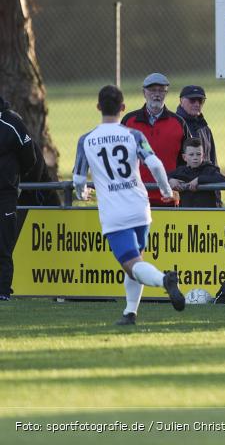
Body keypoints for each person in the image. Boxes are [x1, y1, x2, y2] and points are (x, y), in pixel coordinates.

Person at [72, 85, 184, 324]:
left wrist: (81, 193)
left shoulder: (86, 140)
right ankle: (130, 312)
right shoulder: (134, 135)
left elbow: (79, 178)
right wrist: (166, 191)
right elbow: (155, 164)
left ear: (98, 107)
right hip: (140, 207)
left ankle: (164, 280)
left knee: (132, 265)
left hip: (115, 212)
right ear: (122, 107)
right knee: (135, 261)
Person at [121, 73, 189, 207]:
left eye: (161, 90)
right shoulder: (129, 121)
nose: (156, 94)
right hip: (135, 196)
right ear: (144, 93)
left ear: (166, 93)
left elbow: (188, 159)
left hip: (169, 197)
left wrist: (178, 179)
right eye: (152, 90)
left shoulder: (178, 122)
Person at [0, 97, 36, 301]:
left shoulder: (11, 122)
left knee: (4, 244)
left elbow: (29, 156)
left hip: (5, 193)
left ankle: (3, 291)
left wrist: (13, 177)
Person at [167, 138, 225, 208]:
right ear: (184, 157)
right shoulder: (181, 171)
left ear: (203, 156)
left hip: (207, 212)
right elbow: (162, 177)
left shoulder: (209, 169)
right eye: (191, 155)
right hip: (186, 212)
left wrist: (199, 180)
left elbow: (223, 179)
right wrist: (170, 180)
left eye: (198, 154)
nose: (195, 157)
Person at [176, 85, 217, 166]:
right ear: (181, 101)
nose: (197, 104)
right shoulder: (174, 125)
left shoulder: (205, 128)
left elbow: (213, 160)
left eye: (200, 101)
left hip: (206, 173)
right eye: (192, 100)